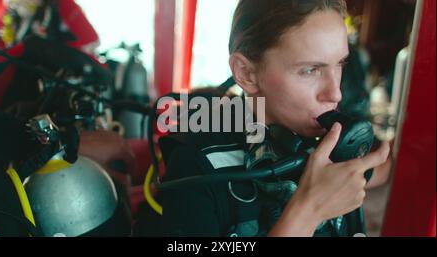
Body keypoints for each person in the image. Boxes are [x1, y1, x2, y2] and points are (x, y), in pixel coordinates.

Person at [138, 0, 391, 237]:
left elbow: (382, 167)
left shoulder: (326, 143)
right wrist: (309, 210)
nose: (335, 92)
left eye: (340, 64)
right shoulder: (195, 169)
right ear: (246, 73)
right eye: (310, 70)